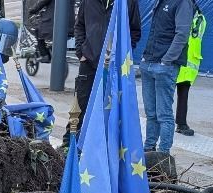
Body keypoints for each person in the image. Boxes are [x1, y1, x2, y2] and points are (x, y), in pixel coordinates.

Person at [140, 0, 192, 154]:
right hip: (149, 62)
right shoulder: (160, 2)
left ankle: (163, 155)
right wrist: (145, 58)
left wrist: (167, 60)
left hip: (165, 66)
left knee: (164, 115)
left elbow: (182, 34)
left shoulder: (183, 3)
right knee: (151, 113)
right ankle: (149, 150)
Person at [74, 0, 142, 116]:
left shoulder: (128, 2)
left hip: (115, 65)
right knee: (81, 106)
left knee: (110, 111)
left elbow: (134, 31)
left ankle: (106, 134)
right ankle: (73, 134)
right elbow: (79, 25)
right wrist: (81, 52)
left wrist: (122, 54)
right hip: (89, 62)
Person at [174, 0, 204, 136]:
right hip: (177, 59)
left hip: (186, 62)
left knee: (182, 93)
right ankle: (176, 124)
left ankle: (181, 123)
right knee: (166, 95)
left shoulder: (199, 16)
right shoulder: (190, 12)